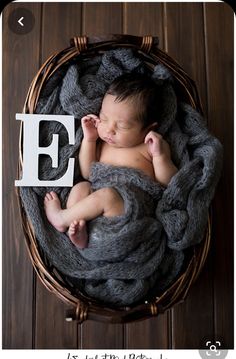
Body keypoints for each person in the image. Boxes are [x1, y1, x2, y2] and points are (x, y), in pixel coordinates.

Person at [44, 73, 178, 248]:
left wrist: (160, 157)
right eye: (104, 118)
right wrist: (90, 140)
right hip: (98, 218)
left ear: (148, 129)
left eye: (122, 126)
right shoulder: (103, 144)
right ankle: (81, 235)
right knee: (81, 187)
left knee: (107, 196)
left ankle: (62, 218)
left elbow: (169, 183)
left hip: (130, 209)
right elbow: (88, 173)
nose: (109, 129)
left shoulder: (151, 146)